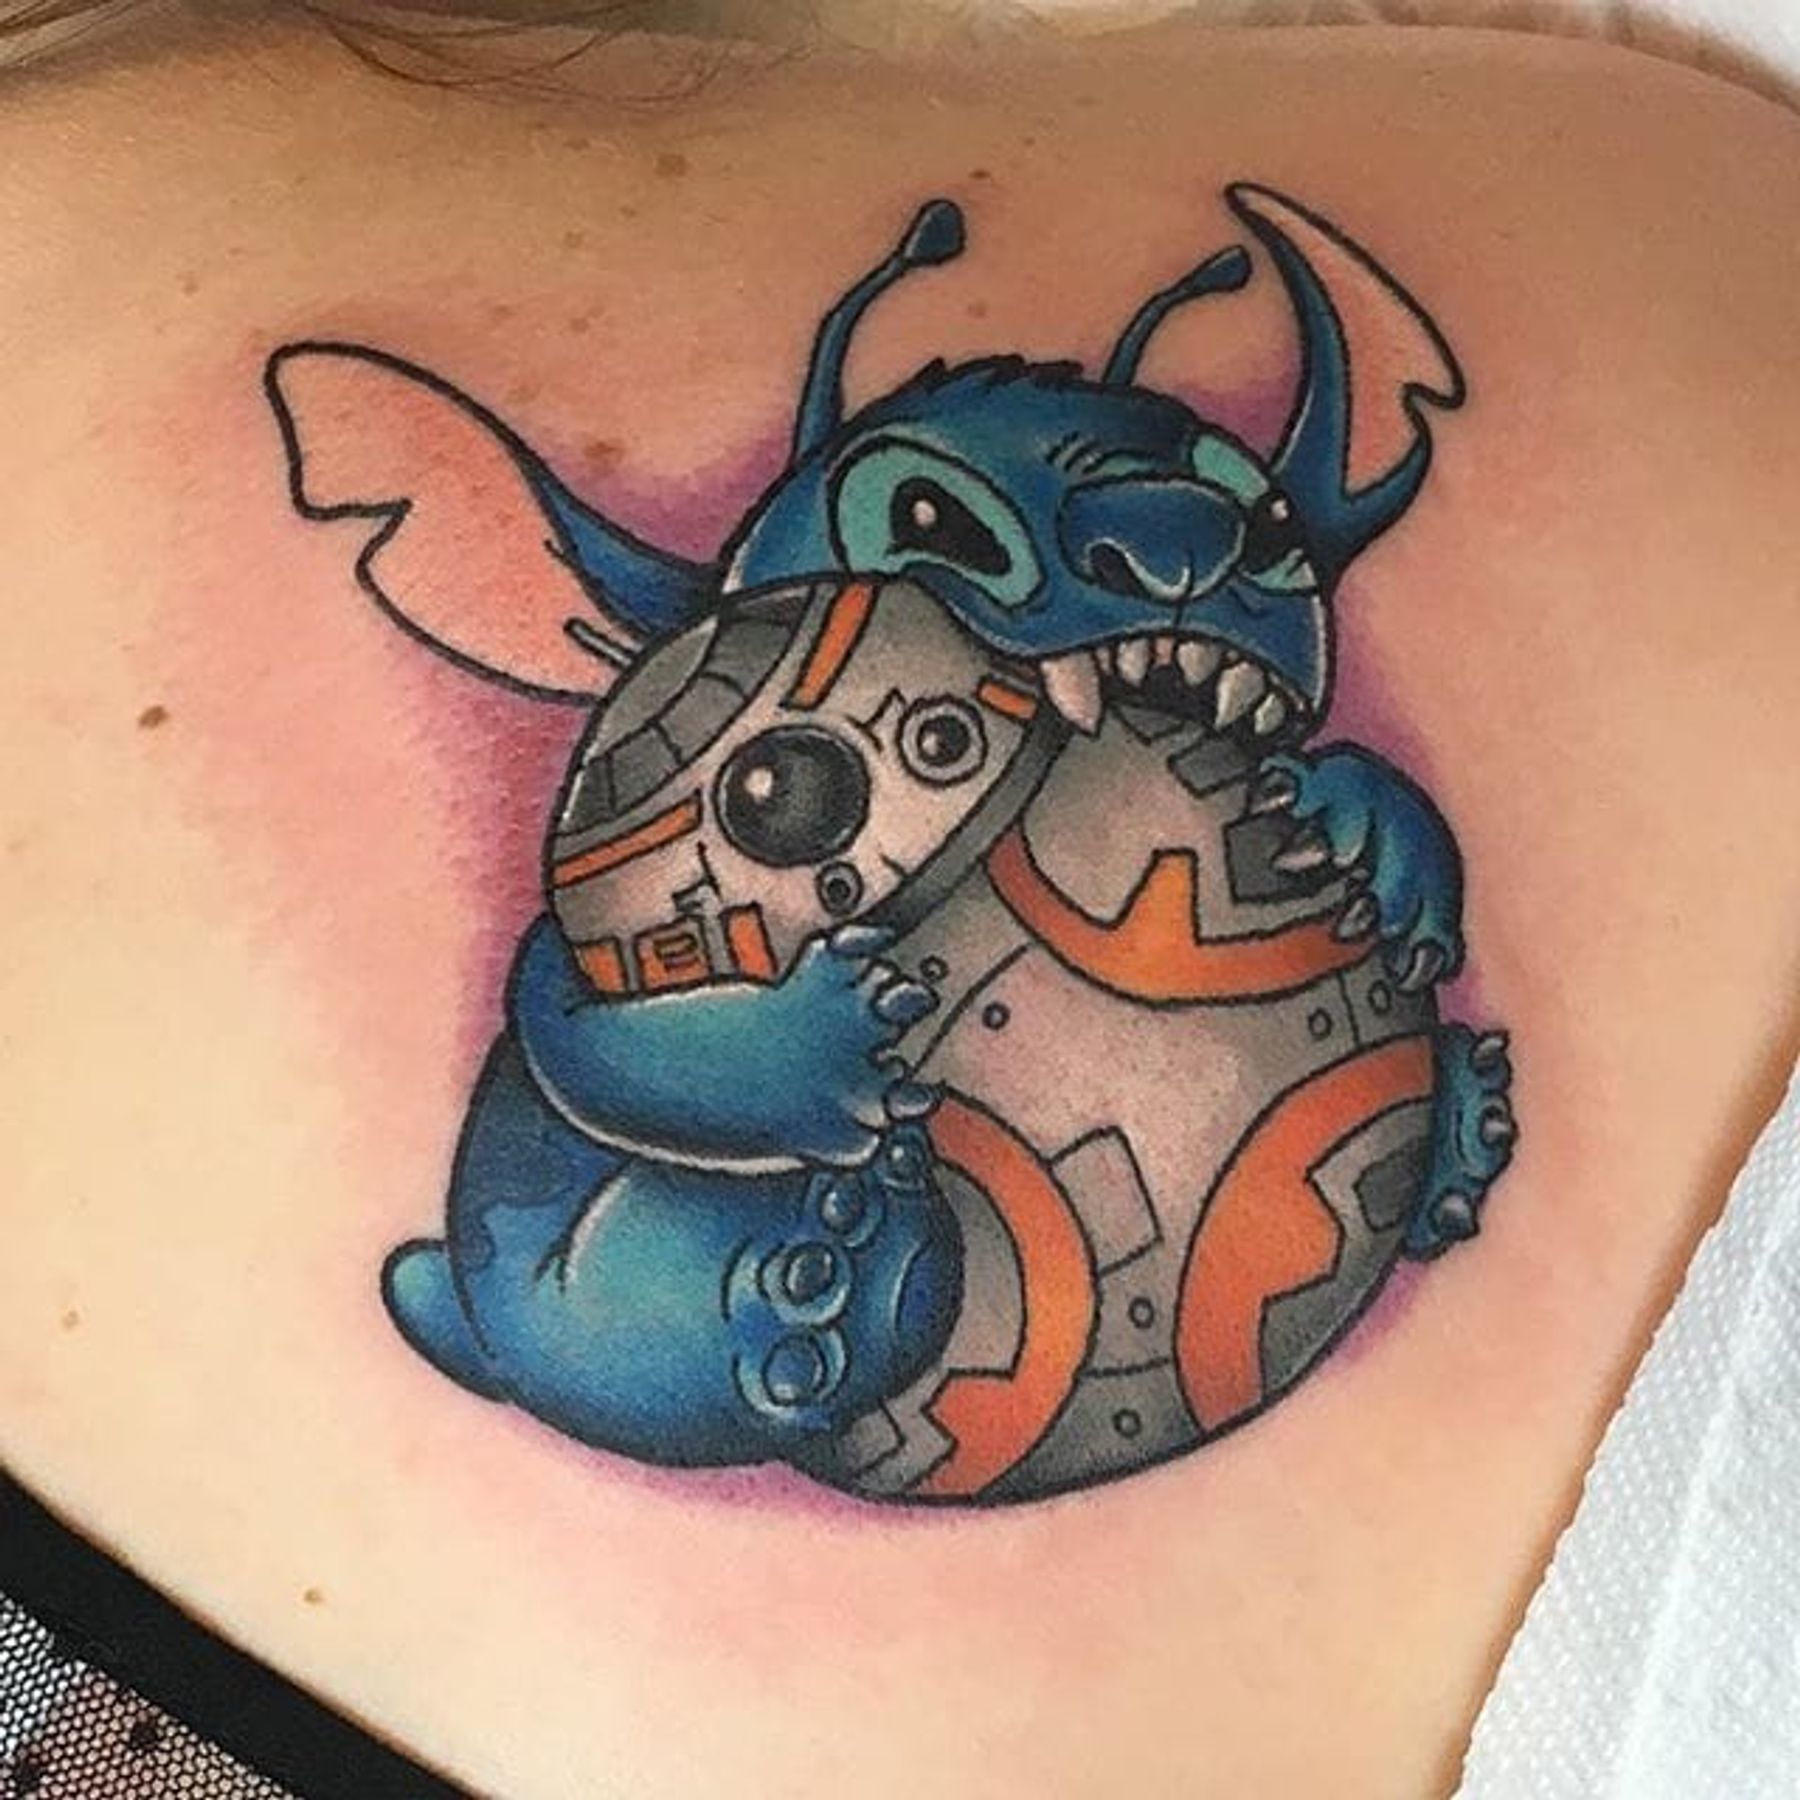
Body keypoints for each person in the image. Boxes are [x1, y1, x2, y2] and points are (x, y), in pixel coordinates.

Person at [1, 5, 1797, 1795]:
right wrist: (759, 1062)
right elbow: (591, 1034)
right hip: (629, 1242)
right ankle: (762, 1319)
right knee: (659, 1280)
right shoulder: (1684, 237)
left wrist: (1376, 851)